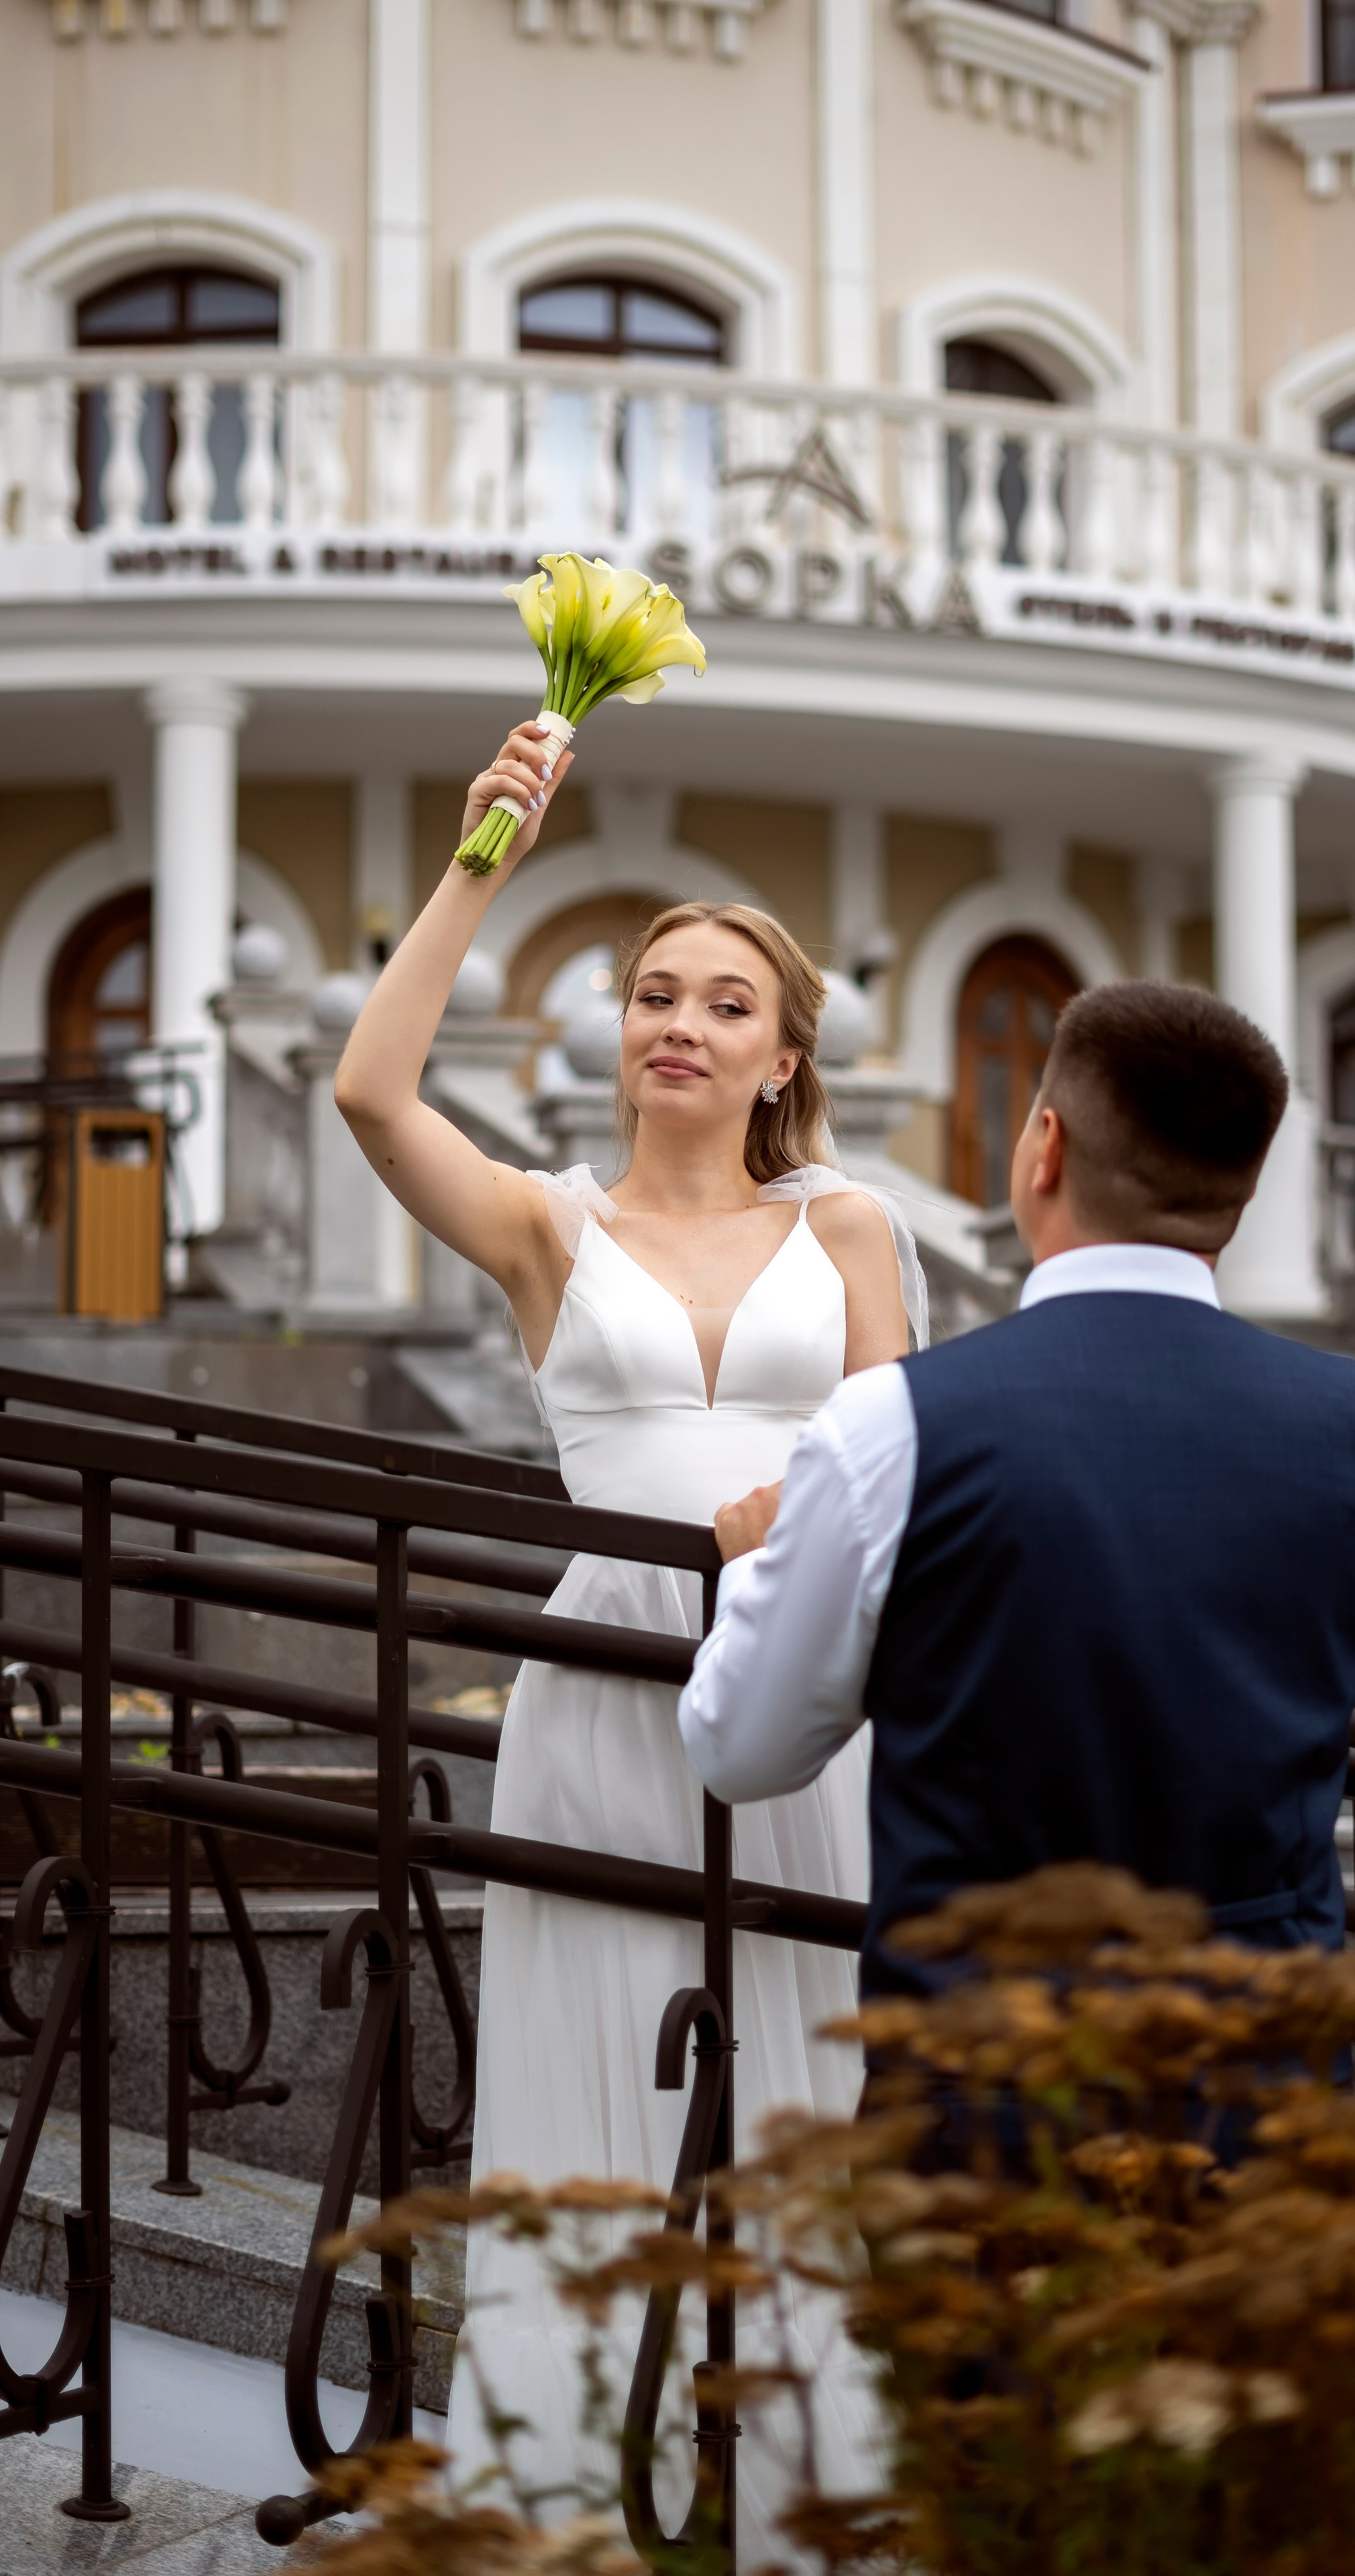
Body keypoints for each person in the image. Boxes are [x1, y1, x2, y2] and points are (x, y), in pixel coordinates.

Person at [334, 721, 921, 2535]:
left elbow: (902, 1459)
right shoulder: (545, 1226)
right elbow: (370, 1092)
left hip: (814, 1682)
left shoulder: (857, 1223)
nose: (677, 1018)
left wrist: (799, 1528)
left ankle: (799, 2498)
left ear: (783, 1054)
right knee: (596, 2069)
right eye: (650, 990)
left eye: (724, 1002)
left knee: (804, 2059)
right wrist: (481, 859)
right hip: (605, 1686)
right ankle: (573, 2489)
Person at [678, 978, 1355, 2005]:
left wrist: (753, 1569)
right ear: (1242, 1187)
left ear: (1045, 1147)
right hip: (1265, 2068)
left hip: (986, 2069)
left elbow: (740, 1749)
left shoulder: (892, 1426)